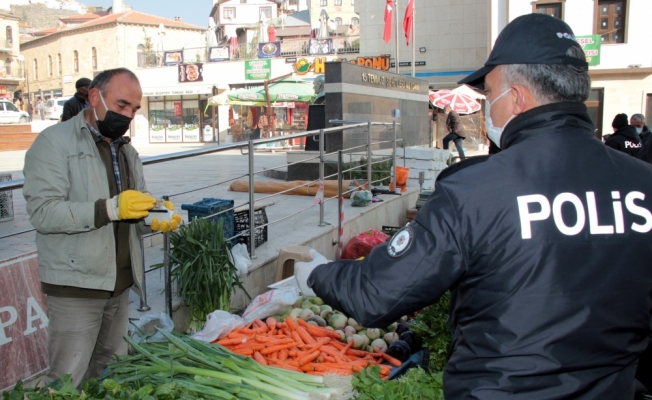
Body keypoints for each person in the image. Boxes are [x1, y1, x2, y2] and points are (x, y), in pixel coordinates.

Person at [296, 13, 652, 399]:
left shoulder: (476, 190)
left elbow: (378, 294)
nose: (486, 110)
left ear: (517, 97)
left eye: (489, 94)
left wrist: (318, 274)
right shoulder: (642, 184)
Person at [23, 68, 181, 387]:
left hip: (120, 283)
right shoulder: (53, 143)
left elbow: (138, 202)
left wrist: (156, 214)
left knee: (111, 374)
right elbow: (43, 213)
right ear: (94, 97)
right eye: (122, 105)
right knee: (66, 380)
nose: (128, 116)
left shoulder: (126, 149)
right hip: (77, 284)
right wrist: (108, 208)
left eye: (134, 110)